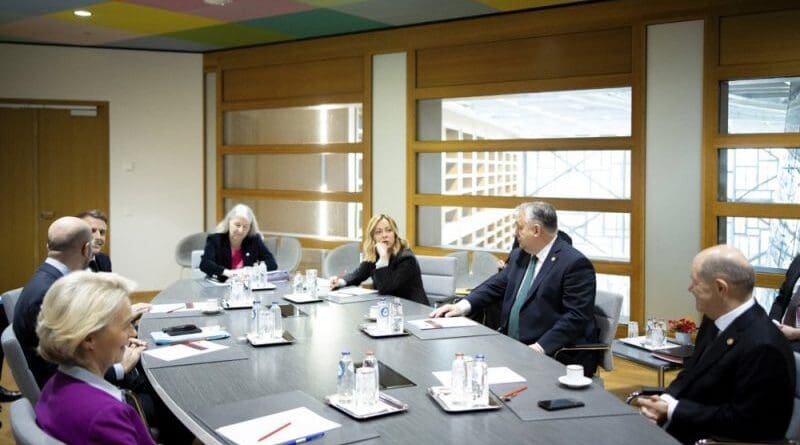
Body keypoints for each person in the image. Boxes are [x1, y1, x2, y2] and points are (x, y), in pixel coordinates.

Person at [638, 245, 795, 445]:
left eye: (695, 282)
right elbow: (691, 373)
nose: (689, 288)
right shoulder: (714, 320)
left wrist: (673, 410)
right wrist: (666, 400)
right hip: (681, 431)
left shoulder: (763, 346)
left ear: (721, 288)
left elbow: (747, 423)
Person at [431, 202, 599, 375]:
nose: (515, 233)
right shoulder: (521, 255)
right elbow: (495, 285)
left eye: (519, 227)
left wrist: (540, 348)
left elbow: (576, 316)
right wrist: (461, 306)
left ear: (536, 230)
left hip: (550, 354)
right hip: (512, 346)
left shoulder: (574, 264)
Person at [34, 271, 155, 444]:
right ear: (89, 338)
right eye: (126, 325)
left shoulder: (55, 385)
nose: (133, 332)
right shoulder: (104, 417)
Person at [329, 214, 427, 305]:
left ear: (395, 234)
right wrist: (341, 281)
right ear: (373, 237)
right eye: (378, 232)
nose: (384, 235)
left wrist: (383, 260)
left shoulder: (406, 258)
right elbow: (358, 275)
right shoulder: (375, 254)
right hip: (389, 308)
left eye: (389, 230)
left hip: (412, 309)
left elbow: (386, 289)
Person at [200, 204, 277, 282]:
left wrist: (251, 271)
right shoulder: (215, 239)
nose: (241, 231)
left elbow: (272, 264)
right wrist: (228, 273)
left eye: (245, 227)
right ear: (229, 222)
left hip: (246, 286)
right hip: (221, 285)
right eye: (237, 225)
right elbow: (205, 264)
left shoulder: (254, 239)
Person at [769, 254, 800, 352]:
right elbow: (781, 298)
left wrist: (795, 333)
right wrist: (774, 322)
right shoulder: (798, 261)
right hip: (780, 333)